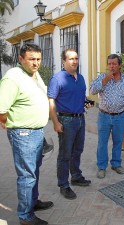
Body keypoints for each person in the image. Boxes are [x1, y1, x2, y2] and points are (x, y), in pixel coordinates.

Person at [0, 44, 53, 225]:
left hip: (36, 132)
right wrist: (8, 122)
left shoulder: (33, 74)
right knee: (27, 175)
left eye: (38, 59)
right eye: (31, 59)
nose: (36, 63)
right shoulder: (13, 77)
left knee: (33, 171)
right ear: (21, 59)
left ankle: (32, 202)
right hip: (23, 134)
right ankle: (25, 216)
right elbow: (1, 109)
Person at [48, 48, 92, 200]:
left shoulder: (80, 78)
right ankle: (63, 185)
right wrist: (55, 122)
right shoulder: (58, 78)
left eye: (76, 58)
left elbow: (80, 96)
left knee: (77, 150)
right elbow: (51, 101)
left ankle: (76, 176)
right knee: (65, 154)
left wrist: (85, 102)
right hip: (66, 121)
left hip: (80, 118)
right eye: (71, 59)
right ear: (63, 61)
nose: (75, 61)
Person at [90, 54, 124, 179]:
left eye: (114, 64)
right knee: (102, 142)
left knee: (118, 141)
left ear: (120, 65)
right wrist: (105, 81)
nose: (111, 66)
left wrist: (122, 108)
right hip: (104, 116)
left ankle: (116, 164)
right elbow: (92, 90)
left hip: (120, 116)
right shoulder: (102, 77)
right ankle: (102, 167)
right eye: (109, 64)